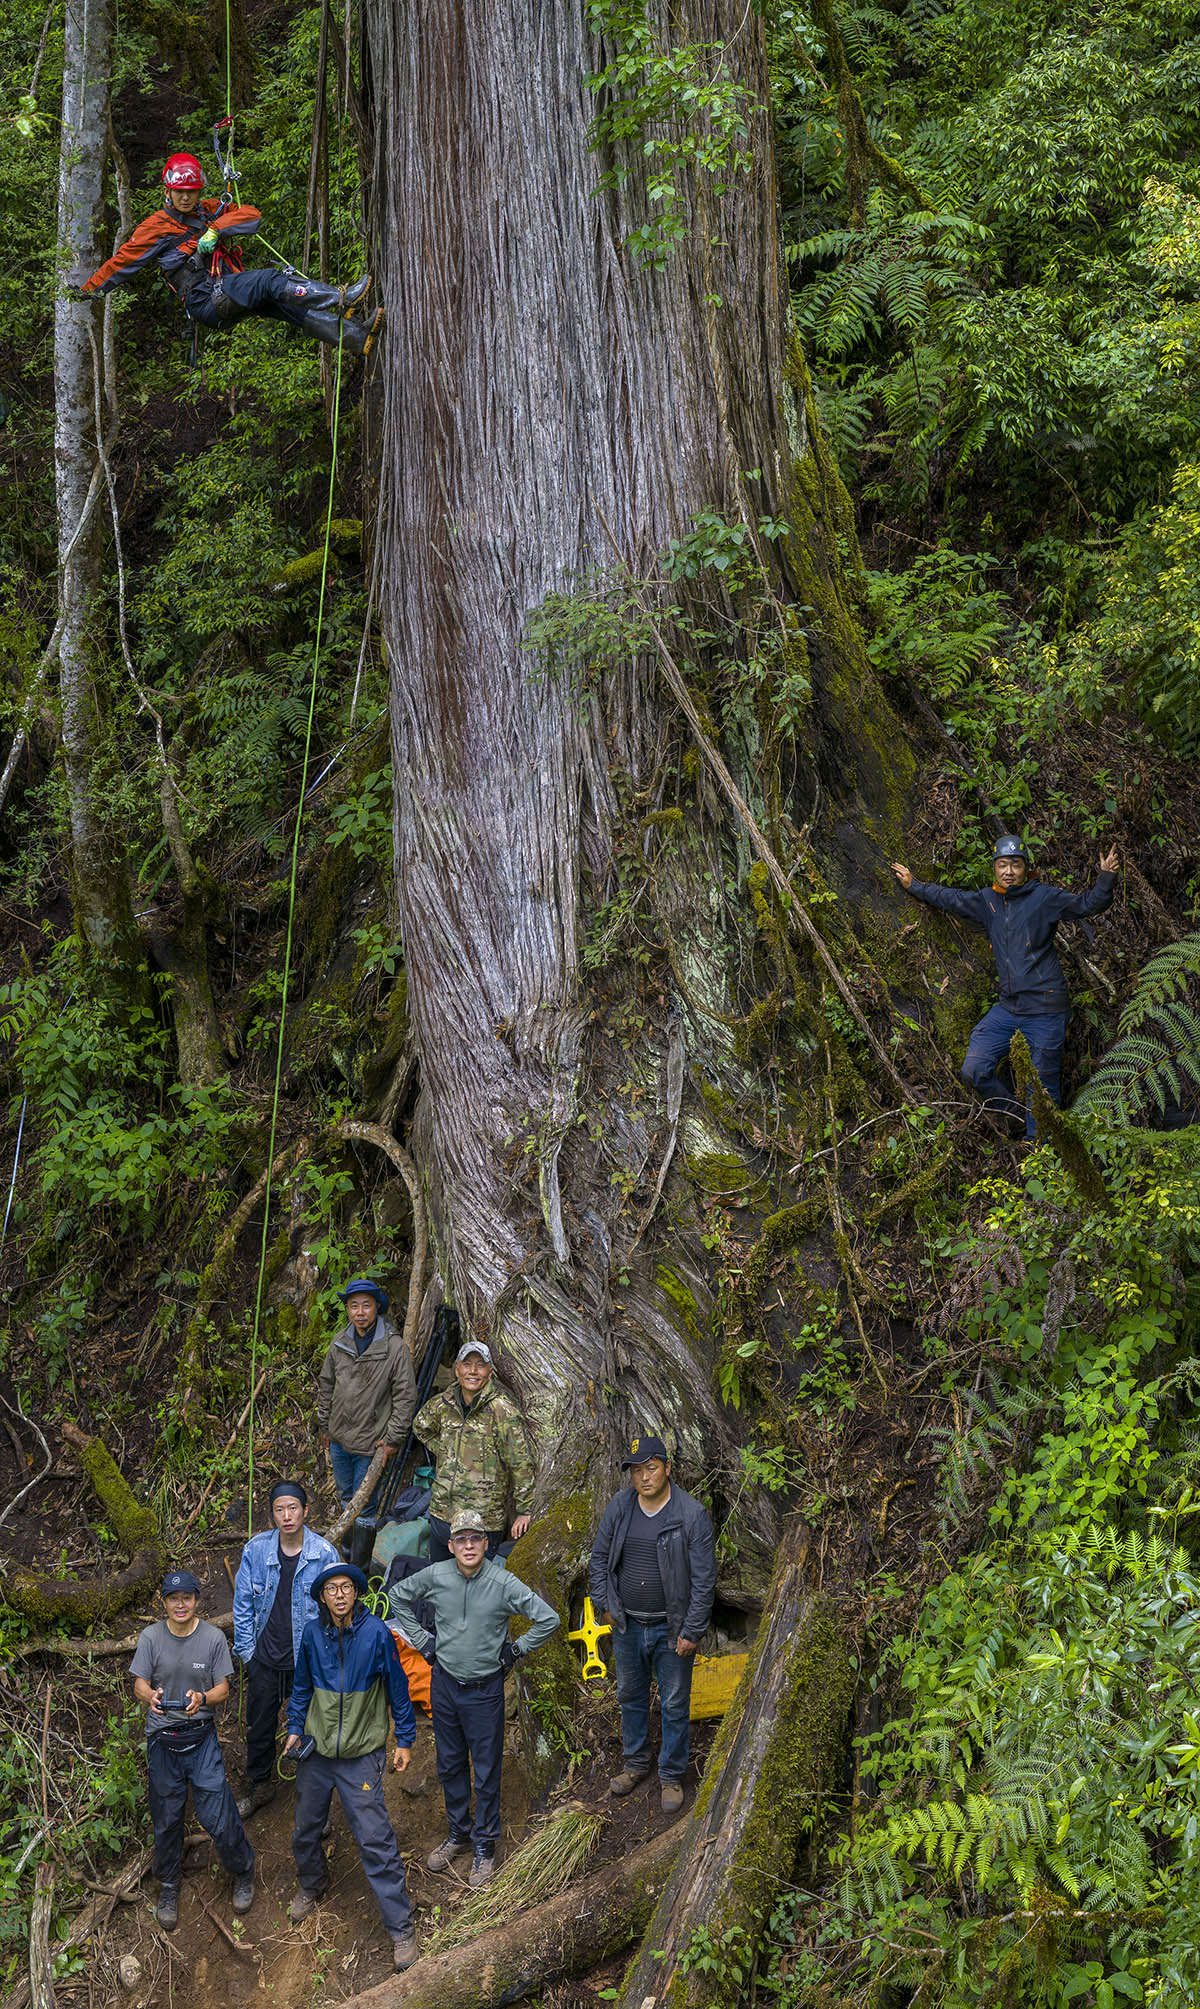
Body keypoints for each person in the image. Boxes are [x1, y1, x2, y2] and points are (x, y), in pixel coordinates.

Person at [891, 836, 1119, 1137]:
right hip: (1009, 1008)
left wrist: (1106, 877)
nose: (1008, 871)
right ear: (994, 869)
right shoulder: (989, 901)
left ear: (1026, 869)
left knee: (1041, 1086)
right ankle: (1015, 1116)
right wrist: (914, 886)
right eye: (1002, 864)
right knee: (974, 1068)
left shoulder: (1044, 898)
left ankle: (1040, 1154)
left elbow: (1088, 904)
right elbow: (952, 898)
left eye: (1015, 864)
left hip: (1046, 1009)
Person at [388, 1509, 560, 1888]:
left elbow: (548, 1619)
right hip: (444, 1685)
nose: (468, 1545)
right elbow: (398, 1596)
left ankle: (485, 1846)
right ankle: (458, 1833)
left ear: (486, 1543)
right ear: (450, 1546)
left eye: (475, 1539)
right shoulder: (436, 1575)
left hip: (484, 1692)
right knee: (449, 1764)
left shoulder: (502, 1581)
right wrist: (423, 1642)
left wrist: (515, 1650)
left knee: (485, 1771)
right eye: (461, 1539)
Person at [72, 152, 383, 357]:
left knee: (286, 307)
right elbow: (121, 264)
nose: (185, 197)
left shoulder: (208, 210)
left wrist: (215, 229)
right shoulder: (154, 227)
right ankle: (341, 297)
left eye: (191, 191)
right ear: (166, 191)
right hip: (203, 298)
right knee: (269, 281)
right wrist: (85, 292)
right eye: (179, 191)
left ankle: (355, 337)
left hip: (224, 289)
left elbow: (251, 216)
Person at [284, 1562, 420, 1972]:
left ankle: (401, 1929)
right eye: (332, 1589)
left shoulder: (377, 1633)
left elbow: (399, 1686)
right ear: (322, 1597)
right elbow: (302, 1685)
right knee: (306, 1828)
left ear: (356, 1593)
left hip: (362, 1753)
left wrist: (406, 1739)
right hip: (317, 1751)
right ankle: (312, 1885)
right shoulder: (311, 1634)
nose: (340, 1594)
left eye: (347, 1587)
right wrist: (293, 1728)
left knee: (375, 1840)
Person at [590, 1433, 716, 1817]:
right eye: (636, 1471)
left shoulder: (690, 1515)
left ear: (667, 1468)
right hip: (627, 1625)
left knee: (675, 1703)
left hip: (670, 1627)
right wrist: (606, 1607)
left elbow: (704, 1579)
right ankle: (635, 1764)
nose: (644, 1477)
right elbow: (598, 1562)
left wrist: (691, 1630)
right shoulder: (621, 1506)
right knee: (630, 1695)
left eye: (651, 1468)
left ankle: (672, 1774)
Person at [129, 1568, 255, 1932]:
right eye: (173, 1598)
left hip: (200, 1738)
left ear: (197, 1600)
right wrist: (149, 1695)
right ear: (164, 1602)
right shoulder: (151, 1637)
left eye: (187, 1597)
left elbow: (223, 1690)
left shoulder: (213, 1638)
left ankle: (243, 1869)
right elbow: (138, 1682)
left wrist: (202, 1698)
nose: (180, 1604)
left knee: (218, 1815)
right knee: (167, 1818)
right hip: (163, 1742)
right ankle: (168, 1885)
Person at [231, 1479, 339, 1818]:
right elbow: (243, 1605)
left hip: (306, 1661)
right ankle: (260, 1784)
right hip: (264, 1658)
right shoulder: (257, 1550)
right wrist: (248, 1653)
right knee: (259, 1724)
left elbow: (337, 1607)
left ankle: (312, 1798)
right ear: (273, 1515)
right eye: (280, 1509)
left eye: (293, 1508)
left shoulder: (323, 1554)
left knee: (311, 1726)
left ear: (305, 1511)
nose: (287, 1515)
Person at [413, 1337, 535, 1562]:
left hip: (482, 1522)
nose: (473, 1371)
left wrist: (524, 1510)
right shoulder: (444, 1404)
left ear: (490, 1372)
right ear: (457, 1369)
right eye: (467, 1364)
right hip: (443, 1514)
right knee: (441, 1585)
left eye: (480, 1365)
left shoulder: (502, 1410)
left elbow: (520, 1463)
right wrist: (447, 1452)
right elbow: (421, 1426)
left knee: (474, 1591)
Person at [319, 1279, 418, 1510]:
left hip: (371, 1444)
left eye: (366, 1305)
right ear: (348, 1309)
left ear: (377, 1308)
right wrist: (325, 1425)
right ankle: (347, 1546)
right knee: (345, 1495)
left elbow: (406, 1396)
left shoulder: (395, 1348)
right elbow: (327, 1384)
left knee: (364, 1503)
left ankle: (361, 1547)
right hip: (339, 1441)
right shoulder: (339, 1343)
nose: (360, 1312)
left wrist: (393, 1438)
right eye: (354, 1306)